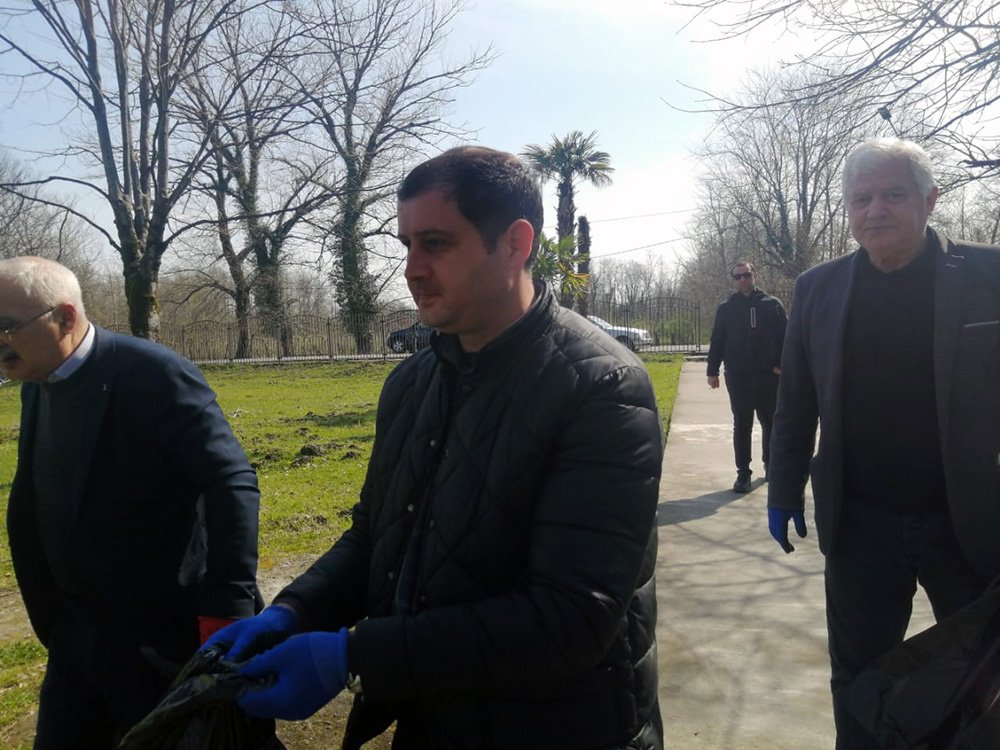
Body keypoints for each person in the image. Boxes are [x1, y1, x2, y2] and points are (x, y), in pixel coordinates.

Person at [206, 146, 665, 749]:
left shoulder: (602, 387)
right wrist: (294, 612)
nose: (412, 269)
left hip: (563, 727)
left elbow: (572, 617)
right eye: (406, 245)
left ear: (516, 243)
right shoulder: (411, 382)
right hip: (435, 717)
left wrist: (352, 656)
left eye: (437, 244)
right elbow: (374, 535)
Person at [766, 138, 1000, 749]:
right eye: (861, 199)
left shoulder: (990, 274)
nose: (875, 210)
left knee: (980, 675)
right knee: (858, 678)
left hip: (968, 523)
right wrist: (783, 487)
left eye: (893, 195)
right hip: (861, 527)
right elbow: (796, 404)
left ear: (930, 200)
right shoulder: (818, 288)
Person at [0, 256, 262, 749]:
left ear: (65, 317)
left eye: (6, 326)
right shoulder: (38, 385)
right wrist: (54, 619)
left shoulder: (152, 373)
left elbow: (231, 483)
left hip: (160, 641)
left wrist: (227, 610)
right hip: (77, 638)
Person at [706, 262, 786, 492]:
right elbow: (718, 340)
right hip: (738, 376)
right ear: (733, 280)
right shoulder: (727, 308)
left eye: (746, 275)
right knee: (742, 424)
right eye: (738, 277)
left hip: (768, 376)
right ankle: (743, 474)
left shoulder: (771, 304)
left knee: (770, 422)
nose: (742, 280)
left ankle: (770, 465)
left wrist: (781, 365)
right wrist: (712, 371)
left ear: (754, 275)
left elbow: (786, 337)